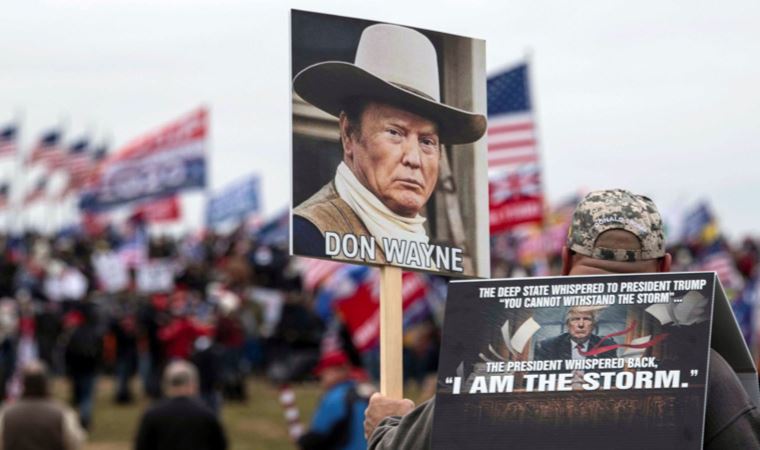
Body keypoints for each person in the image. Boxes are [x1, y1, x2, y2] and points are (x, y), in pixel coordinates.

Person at [364, 189, 760, 449]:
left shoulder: (496, 361)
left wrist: (387, 428)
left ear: (567, 260)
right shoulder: (704, 373)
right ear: (665, 268)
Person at [292, 23, 486, 272]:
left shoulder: (429, 252)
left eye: (427, 142)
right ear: (348, 134)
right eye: (395, 133)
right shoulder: (308, 235)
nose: (414, 159)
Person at [134, 360, 227, 450]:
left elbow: (142, 446)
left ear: (166, 383)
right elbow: (220, 445)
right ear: (194, 384)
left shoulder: (152, 415)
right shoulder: (207, 414)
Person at [0, 360, 86, 449]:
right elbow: (75, 443)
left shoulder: (6, 412)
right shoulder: (62, 412)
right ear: (46, 383)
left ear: (23, 384)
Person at [297, 350, 370, 450]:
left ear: (337, 370)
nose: (321, 378)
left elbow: (317, 436)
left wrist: (302, 440)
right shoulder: (365, 394)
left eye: (324, 373)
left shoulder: (335, 397)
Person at [534, 306, 618, 360]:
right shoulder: (549, 346)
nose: (581, 324)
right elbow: (535, 380)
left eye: (586, 319)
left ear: (593, 325)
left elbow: (614, 379)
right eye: (575, 319)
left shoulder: (606, 346)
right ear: (568, 325)